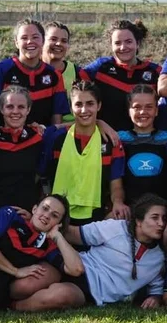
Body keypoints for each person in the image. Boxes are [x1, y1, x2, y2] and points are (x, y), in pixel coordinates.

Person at [9, 194, 167, 310]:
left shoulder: (159, 258)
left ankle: (14, 306)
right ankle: (0, 297)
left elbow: (156, 289)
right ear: (139, 221)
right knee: (25, 285)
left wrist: (155, 298)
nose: (161, 224)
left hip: (90, 293)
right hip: (76, 264)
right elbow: (73, 234)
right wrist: (36, 220)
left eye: (164, 219)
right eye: (155, 218)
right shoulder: (116, 228)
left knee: (60, 296)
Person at [41, 81, 129, 224]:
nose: (84, 110)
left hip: (97, 216)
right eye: (78, 104)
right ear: (71, 108)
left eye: (90, 104)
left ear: (98, 105)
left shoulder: (111, 140)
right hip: (58, 216)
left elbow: (116, 184)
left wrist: (118, 202)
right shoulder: (56, 139)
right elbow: (43, 177)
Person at [0, 19, 70, 127]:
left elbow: (56, 120)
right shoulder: (1, 70)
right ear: (16, 42)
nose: (30, 41)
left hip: (42, 137)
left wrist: (49, 136)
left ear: (43, 41)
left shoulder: (54, 75)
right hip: (5, 137)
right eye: (24, 38)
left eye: (35, 37)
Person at [82, 19, 161, 132]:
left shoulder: (155, 72)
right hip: (106, 138)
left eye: (128, 41)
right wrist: (96, 122)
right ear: (111, 45)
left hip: (145, 139)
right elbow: (75, 85)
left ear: (137, 43)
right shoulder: (100, 68)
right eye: (117, 43)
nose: (123, 47)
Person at [0, 86, 46, 215]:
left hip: (26, 215)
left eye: (21, 107)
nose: (15, 111)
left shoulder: (38, 137)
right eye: (10, 107)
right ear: (1, 109)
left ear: (28, 109)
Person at [117, 84, 167, 204]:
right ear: (129, 110)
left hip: (163, 209)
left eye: (149, 107)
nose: (143, 112)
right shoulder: (117, 139)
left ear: (156, 110)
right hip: (128, 209)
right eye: (137, 107)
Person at [42, 21, 81, 123]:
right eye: (53, 39)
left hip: (70, 130)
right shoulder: (30, 71)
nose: (59, 44)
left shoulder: (78, 73)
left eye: (64, 41)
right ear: (42, 41)